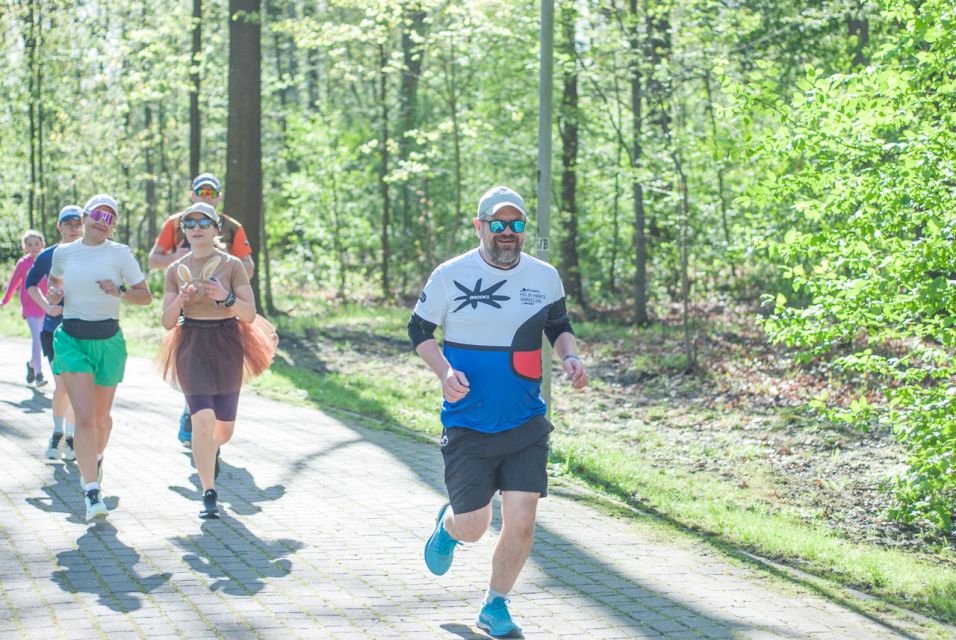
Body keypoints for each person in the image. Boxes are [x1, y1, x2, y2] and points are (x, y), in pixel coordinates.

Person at [408, 186, 588, 638]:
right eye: (498, 224)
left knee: (523, 517)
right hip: (468, 419)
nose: (508, 233)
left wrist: (570, 356)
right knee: (474, 526)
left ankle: (495, 605)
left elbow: (559, 326)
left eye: (517, 224)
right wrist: (444, 370)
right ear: (480, 226)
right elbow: (419, 329)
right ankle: (449, 528)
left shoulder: (545, 276)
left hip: (525, 419)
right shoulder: (451, 274)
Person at [158, 202, 275, 519]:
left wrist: (225, 296)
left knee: (222, 432)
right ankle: (208, 491)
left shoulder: (232, 265)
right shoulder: (175, 271)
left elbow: (249, 314)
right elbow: (167, 322)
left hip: (227, 343)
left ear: (215, 229)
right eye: (190, 222)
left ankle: (212, 450)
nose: (196, 227)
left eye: (204, 222)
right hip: (191, 343)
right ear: (184, 231)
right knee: (202, 421)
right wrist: (181, 300)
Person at [50, 194, 152, 521]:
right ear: (85, 217)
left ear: (114, 226)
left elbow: (145, 296)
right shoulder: (64, 252)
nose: (100, 221)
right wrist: (55, 294)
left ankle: (95, 458)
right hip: (71, 339)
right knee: (82, 416)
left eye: (109, 218)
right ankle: (92, 492)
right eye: (96, 214)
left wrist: (119, 291)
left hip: (108, 340)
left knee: (100, 419)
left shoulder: (120, 254)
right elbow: (55, 280)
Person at [148, 173, 255, 447]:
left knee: (221, 391)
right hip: (188, 314)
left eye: (211, 194)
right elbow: (153, 260)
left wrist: (227, 274)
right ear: (191, 194)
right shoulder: (174, 223)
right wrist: (184, 259)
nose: (205, 197)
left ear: (219, 197)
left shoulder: (233, 227)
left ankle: (212, 439)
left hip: (224, 312)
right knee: (194, 374)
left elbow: (249, 265)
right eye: (201, 192)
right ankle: (191, 416)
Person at [26, 205, 85, 461]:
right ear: (59, 227)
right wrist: (46, 307)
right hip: (54, 331)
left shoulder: (93, 254)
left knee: (77, 388)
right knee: (63, 385)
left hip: (84, 331)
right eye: (68, 223)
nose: (74, 228)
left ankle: (72, 438)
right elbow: (30, 284)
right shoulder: (49, 255)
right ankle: (58, 432)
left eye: (78, 222)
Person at [2, 229, 48, 386]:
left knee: (40, 340)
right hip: (29, 308)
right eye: (30, 245)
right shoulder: (23, 264)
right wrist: (4, 300)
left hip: (45, 306)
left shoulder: (47, 261)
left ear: (43, 245)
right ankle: (40, 374)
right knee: (37, 338)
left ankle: (31, 365)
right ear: (25, 247)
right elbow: (14, 283)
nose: (33, 247)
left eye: (36, 244)